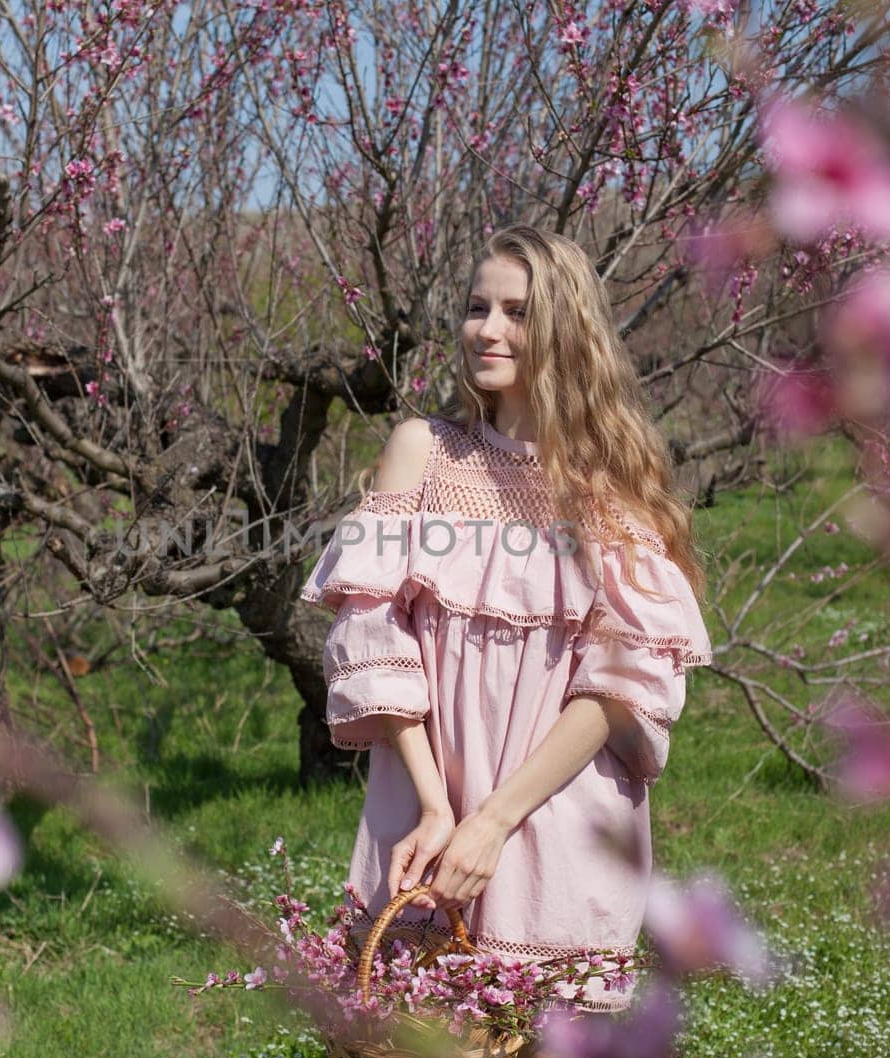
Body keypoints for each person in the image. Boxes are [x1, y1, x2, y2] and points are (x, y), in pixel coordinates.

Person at [299, 224, 712, 1012]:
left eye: (517, 312)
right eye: (476, 306)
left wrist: (492, 822)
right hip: (426, 813)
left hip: (553, 814)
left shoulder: (608, 484)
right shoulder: (422, 450)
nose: (488, 328)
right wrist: (435, 805)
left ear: (562, 330)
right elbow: (376, 647)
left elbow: (619, 683)